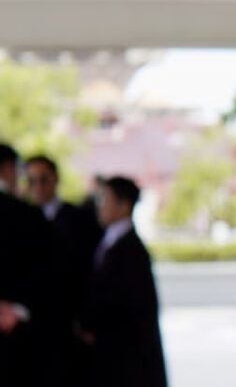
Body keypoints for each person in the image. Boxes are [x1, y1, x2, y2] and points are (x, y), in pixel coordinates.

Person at [80, 176, 167, 387]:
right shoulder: (108, 241)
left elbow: (128, 306)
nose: (100, 205)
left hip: (125, 359)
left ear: (124, 205)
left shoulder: (131, 251)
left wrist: (93, 327)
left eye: (105, 199)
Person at [25, 155, 104, 384]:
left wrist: (86, 319)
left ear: (55, 180)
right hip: (32, 327)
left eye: (43, 179)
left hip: (70, 324)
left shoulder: (79, 219)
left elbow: (90, 272)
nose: (38, 187)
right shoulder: (21, 220)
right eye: (31, 181)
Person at [0, 144, 67, 387]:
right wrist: (15, 309)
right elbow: (48, 272)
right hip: (21, 332)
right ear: (8, 169)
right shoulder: (28, 215)